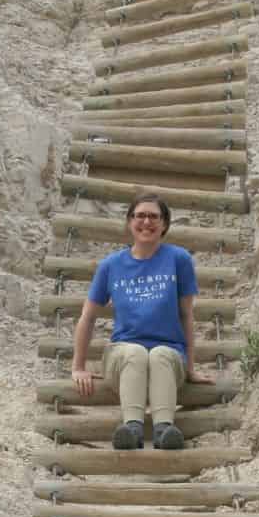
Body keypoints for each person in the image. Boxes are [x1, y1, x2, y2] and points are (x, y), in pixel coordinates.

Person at [70, 193, 214, 450]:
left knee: (159, 354)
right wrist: (78, 366)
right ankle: (132, 429)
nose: (146, 222)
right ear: (129, 222)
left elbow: (185, 316)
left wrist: (190, 367)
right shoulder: (111, 265)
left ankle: (164, 430)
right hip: (122, 355)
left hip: (169, 357)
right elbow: (88, 316)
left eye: (154, 216)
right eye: (140, 215)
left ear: (164, 224)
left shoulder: (179, 260)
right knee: (135, 352)